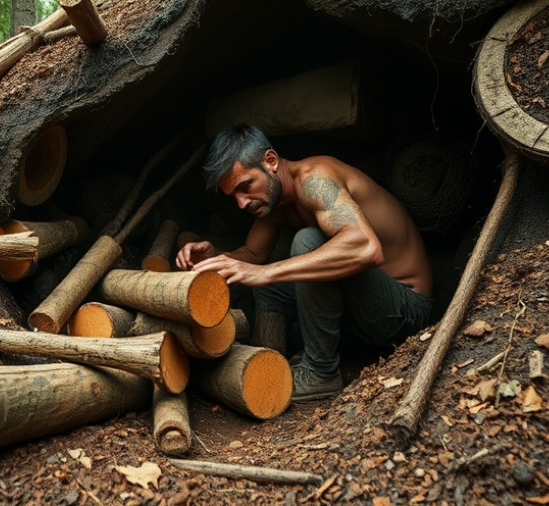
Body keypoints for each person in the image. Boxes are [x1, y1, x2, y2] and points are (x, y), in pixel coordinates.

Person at [176, 124, 433, 402]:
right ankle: (269, 362)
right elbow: (252, 256)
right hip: (361, 314)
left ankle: (320, 373)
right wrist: (215, 257)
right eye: (234, 196)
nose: (241, 203)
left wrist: (265, 272)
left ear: (270, 161)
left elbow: (366, 247)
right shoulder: (271, 204)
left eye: (245, 186)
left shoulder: (315, 179)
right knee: (267, 287)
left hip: (405, 310)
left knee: (307, 241)